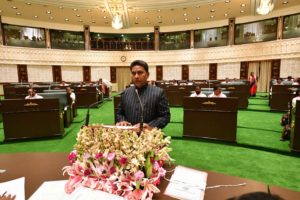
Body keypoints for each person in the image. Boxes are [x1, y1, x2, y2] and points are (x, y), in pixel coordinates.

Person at [116, 60, 170, 131]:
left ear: (147, 75)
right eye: (133, 73)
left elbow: (165, 116)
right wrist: (122, 121)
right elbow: (120, 113)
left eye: (140, 73)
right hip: (128, 135)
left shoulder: (158, 92)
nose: (136, 76)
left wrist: (150, 126)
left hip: (149, 136)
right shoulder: (125, 92)